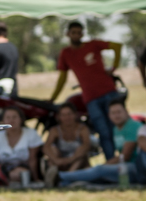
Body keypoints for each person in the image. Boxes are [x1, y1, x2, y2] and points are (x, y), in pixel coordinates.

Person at [50, 21, 123, 161]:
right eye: (73, 33)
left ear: (83, 34)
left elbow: (117, 46)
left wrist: (114, 67)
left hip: (109, 93)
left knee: (118, 128)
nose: (76, 35)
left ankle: (127, 160)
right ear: (68, 34)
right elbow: (62, 78)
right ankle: (111, 163)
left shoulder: (93, 45)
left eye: (79, 33)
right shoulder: (66, 53)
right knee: (103, 132)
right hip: (91, 99)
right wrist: (53, 98)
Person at [57, 100, 146, 187]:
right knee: (99, 176)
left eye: (119, 112)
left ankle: (60, 176)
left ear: (126, 112)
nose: (116, 116)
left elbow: (125, 156)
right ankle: (62, 183)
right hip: (126, 167)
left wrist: (103, 165)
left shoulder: (133, 126)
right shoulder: (116, 128)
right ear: (109, 115)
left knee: (100, 170)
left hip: (138, 167)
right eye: (113, 113)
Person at [0, 108, 42, 185]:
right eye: (8, 117)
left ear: (21, 119)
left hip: (21, 168)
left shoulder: (30, 134)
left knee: (16, 175)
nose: (11, 120)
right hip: (1, 166)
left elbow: (33, 159)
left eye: (14, 117)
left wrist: (36, 178)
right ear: (3, 121)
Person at [42, 103, 92, 186]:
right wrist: (56, 160)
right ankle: (53, 174)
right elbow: (46, 147)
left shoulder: (83, 129)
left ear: (75, 115)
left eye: (69, 114)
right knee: (53, 150)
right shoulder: (55, 130)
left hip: (78, 162)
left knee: (81, 152)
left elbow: (87, 146)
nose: (67, 117)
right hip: (60, 162)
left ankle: (67, 176)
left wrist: (71, 159)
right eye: (63, 115)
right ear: (59, 117)